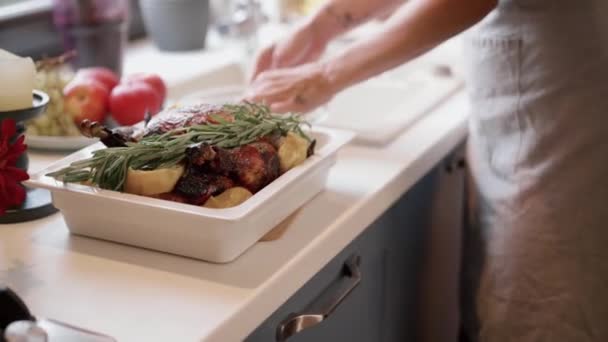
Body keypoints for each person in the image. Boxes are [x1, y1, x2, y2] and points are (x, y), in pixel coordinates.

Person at [246, 0, 608, 341]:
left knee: (546, 306)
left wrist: (324, 75)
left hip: (563, 127)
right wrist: (322, 25)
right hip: (535, 112)